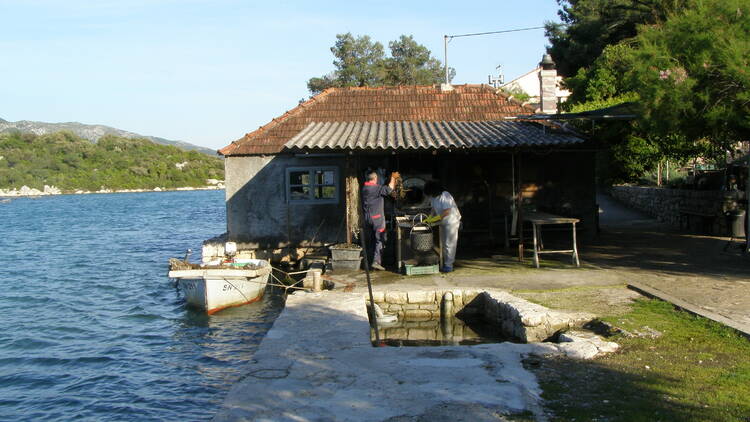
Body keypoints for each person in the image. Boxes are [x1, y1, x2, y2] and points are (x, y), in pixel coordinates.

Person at [362, 170, 399, 270]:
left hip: (367, 218)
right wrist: (393, 177)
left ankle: (369, 263)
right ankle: (376, 262)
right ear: (375, 179)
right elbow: (390, 189)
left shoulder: (365, 187)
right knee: (380, 239)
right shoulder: (375, 188)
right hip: (377, 219)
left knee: (372, 240)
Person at [423, 181, 461, 272]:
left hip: (451, 221)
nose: (429, 195)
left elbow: (447, 211)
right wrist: (429, 217)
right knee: (443, 244)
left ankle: (449, 265)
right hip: (443, 222)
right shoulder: (433, 197)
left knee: (450, 244)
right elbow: (433, 208)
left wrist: (435, 218)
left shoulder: (445, 195)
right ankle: (445, 262)